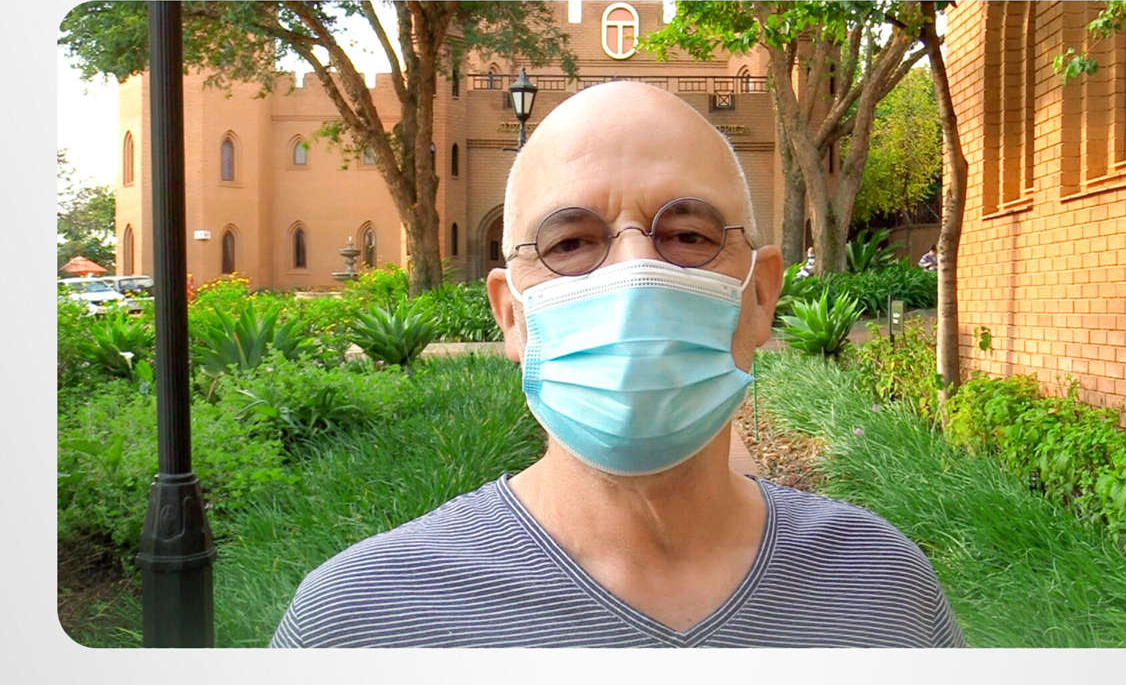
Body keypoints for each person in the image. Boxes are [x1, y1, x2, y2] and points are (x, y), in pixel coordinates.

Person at [270, 82, 964, 648]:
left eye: (687, 235)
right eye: (570, 243)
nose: (634, 276)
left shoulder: (884, 588)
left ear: (760, 296)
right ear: (511, 315)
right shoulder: (356, 623)